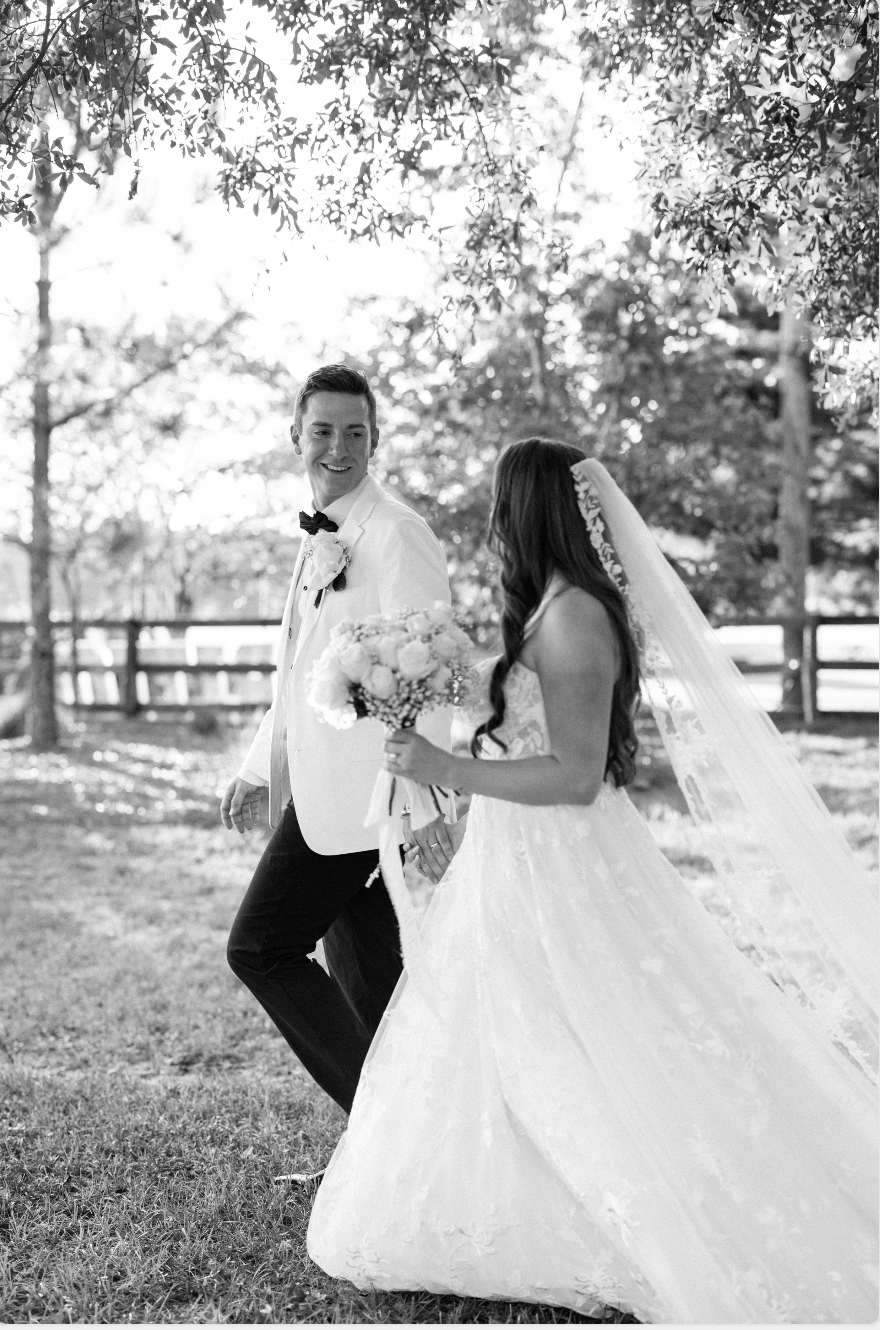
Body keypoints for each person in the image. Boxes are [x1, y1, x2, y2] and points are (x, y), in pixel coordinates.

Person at [306, 437, 878, 1323]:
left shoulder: (575, 619)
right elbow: (523, 727)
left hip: (562, 861)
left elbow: (575, 778)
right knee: (513, 1025)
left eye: (503, 505)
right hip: (518, 853)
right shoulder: (554, 609)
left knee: (587, 1029)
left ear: (529, 512)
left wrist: (447, 772)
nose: (496, 524)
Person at [221, 364, 451, 1115]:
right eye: (323, 431)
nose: (339, 447)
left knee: (259, 947)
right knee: (368, 983)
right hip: (323, 794)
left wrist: (422, 803)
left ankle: (394, 1129)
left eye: (356, 432)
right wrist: (260, 767)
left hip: (368, 800)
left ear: (376, 439)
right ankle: (386, 1171)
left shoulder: (397, 534)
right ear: (296, 436)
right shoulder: (323, 534)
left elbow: (432, 668)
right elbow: (300, 666)